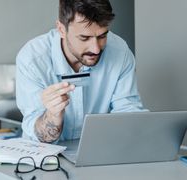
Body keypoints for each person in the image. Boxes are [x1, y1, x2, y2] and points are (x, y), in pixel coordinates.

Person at [16, 0, 146, 143]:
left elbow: (127, 111)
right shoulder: (32, 59)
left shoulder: (120, 52)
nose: (96, 49)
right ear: (61, 29)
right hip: (44, 157)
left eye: (102, 36)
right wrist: (53, 115)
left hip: (98, 153)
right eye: (84, 38)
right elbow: (40, 136)